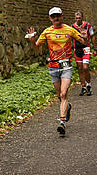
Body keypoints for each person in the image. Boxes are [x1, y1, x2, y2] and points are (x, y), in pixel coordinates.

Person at [26, 7, 87, 135]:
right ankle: (67, 107)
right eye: (53, 16)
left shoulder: (69, 30)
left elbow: (83, 41)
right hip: (53, 67)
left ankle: (62, 122)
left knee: (64, 93)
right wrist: (32, 41)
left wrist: (84, 37)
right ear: (50, 18)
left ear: (62, 16)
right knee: (59, 95)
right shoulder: (47, 32)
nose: (56, 18)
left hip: (66, 66)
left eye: (57, 15)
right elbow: (37, 47)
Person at [71, 11, 97, 96]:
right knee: (80, 68)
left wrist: (95, 48)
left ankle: (88, 85)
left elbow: (92, 36)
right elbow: (70, 39)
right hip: (77, 49)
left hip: (86, 48)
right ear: (75, 18)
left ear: (82, 17)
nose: (78, 19)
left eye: (79, 18)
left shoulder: (88, 25)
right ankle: (83, 87)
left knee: (85, 67)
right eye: (76, 18)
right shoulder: (72, 27)